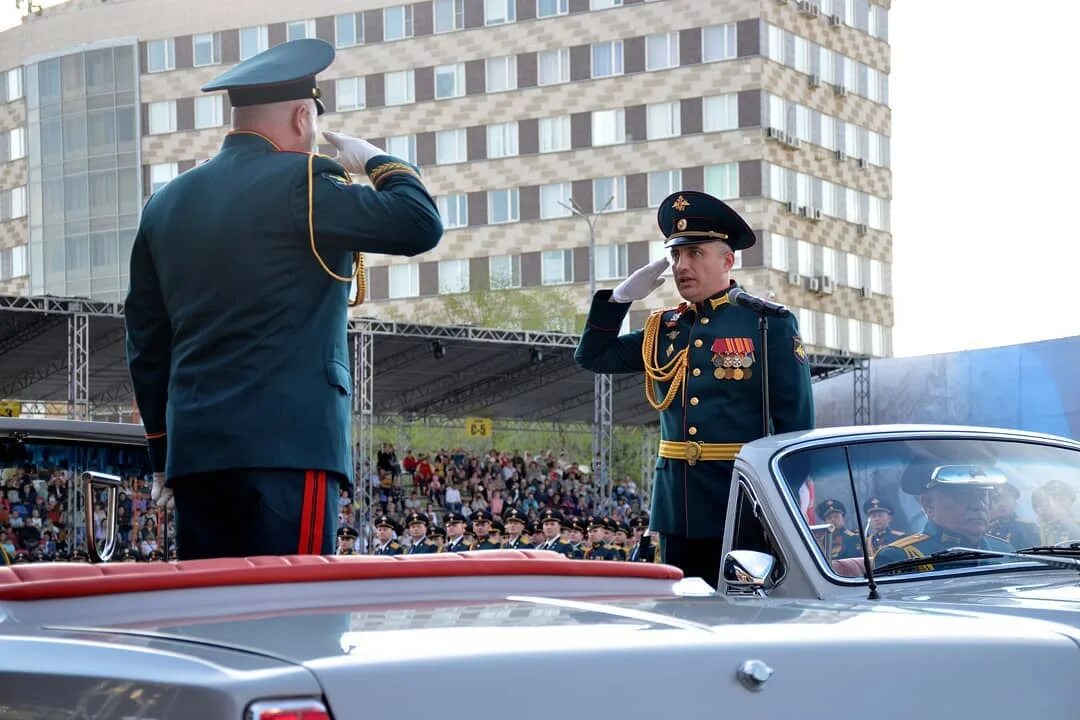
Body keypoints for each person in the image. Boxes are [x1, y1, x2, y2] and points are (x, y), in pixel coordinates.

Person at [124, 39, 442, 560]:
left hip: (197, 453)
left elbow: (147, 343)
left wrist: (162, 449)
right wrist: (378, 161)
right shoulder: (307, 183)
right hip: (289, 447)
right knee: (291, 613)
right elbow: (419, 223)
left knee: (209, 625)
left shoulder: (165, 204)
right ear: (301, 117)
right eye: (313, 124)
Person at [575, 190, 814, 587]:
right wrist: (618, 300)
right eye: (676, 256)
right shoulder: (665, 328)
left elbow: (796, 421)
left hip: (742, 503)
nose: (682, 266)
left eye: (695, 254)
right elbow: (594, 357)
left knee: (744, 612)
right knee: (685, 614)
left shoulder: (766, 324)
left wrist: (786, 501)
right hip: (677, 506)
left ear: (727, 260)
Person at [874, 465, 1014, 572]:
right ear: (929, 504)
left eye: (983, 496)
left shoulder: (1004, 550)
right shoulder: (900, 557)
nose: (977, 506)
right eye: (963, 496)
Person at [988, 483, 1040, 549]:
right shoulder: (987, 529)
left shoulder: (1027, 528)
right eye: (996, 500)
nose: (1001, 504)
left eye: (1006, 499)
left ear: (1015, 503)